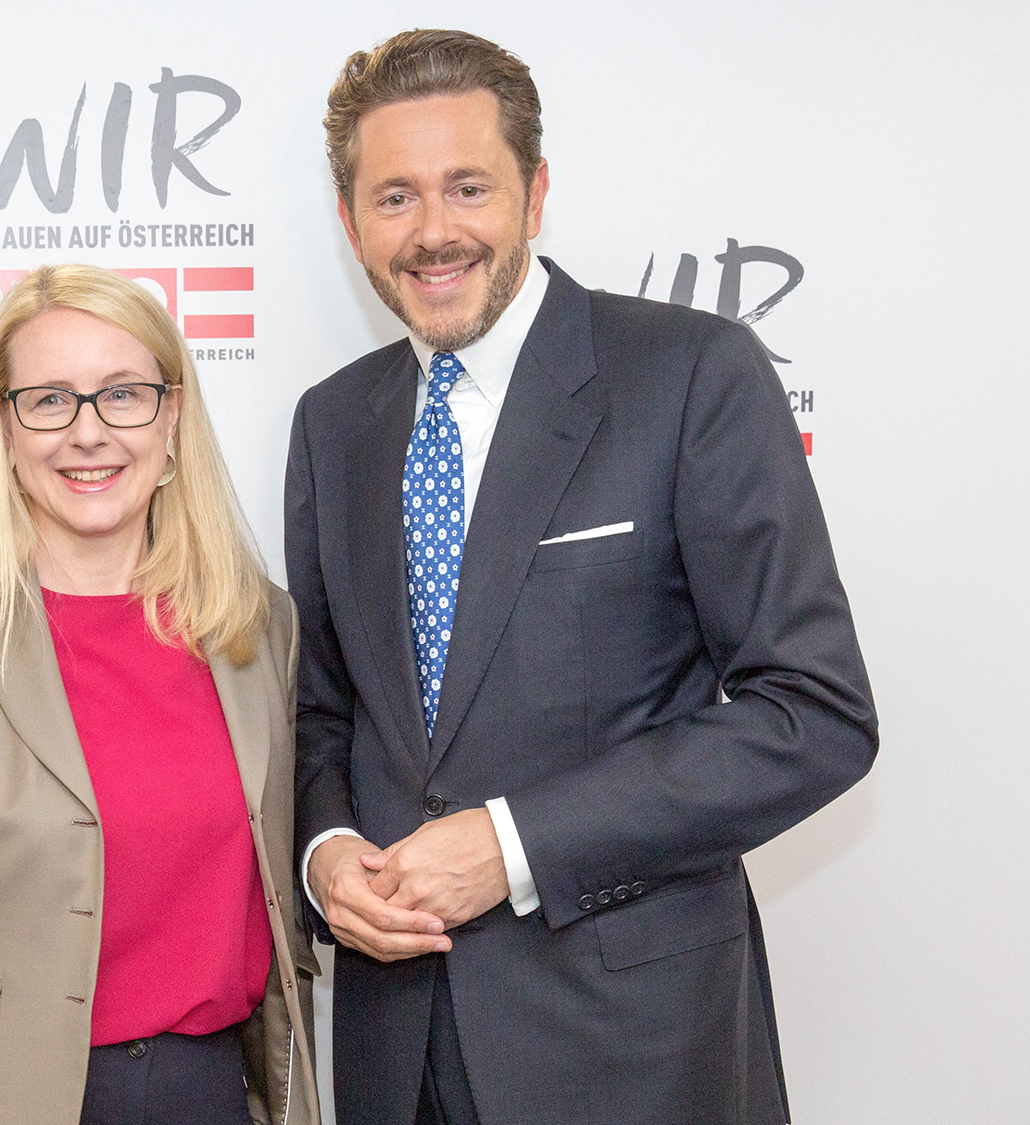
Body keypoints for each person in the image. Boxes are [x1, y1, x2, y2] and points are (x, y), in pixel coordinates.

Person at [287, 30, 877, 1125]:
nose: (432, 233)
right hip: (393, 1048)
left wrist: (510, 844)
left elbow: (813, 714)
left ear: (534, 189)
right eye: (394, 197)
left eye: (468, 186)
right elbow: (324, 710)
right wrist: (324, 857)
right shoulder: (332, 424)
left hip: (629, 1053)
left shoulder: (688, 376)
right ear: (347, 219)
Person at [0, 264, 320, 1125]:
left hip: (210, 1096)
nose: (88, 432)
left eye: (123, 394)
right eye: (49, 399)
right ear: (7, 430)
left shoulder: (257, 628)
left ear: (172, 417)